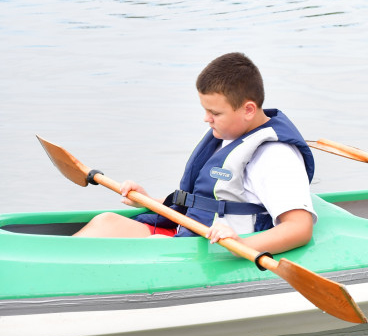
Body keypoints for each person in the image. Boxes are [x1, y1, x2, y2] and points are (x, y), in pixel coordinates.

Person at [73, 52, 316, 258]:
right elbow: (206, 202)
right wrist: (147, 201)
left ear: (248, 110)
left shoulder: (275, 157)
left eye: (215, 113)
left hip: (216, 251)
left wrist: (243, 245)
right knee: (106, 222)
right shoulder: (229, 136)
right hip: (190, 235)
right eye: (205, 110)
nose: (206, 119)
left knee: (142, 250)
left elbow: (299, 228)